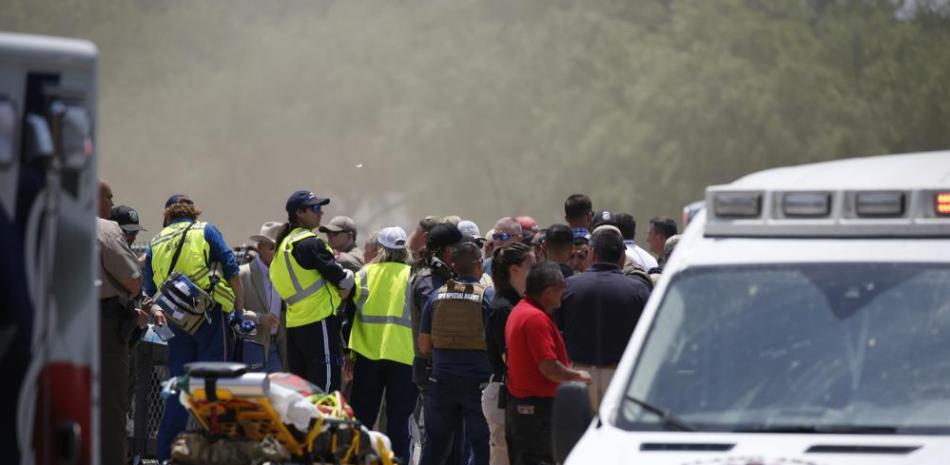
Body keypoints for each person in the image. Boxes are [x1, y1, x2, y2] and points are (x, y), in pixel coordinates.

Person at [145, 194, 244, 463]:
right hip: (211, 318)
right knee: (215, 387)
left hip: (177, 322)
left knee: (179, 388)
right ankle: (215, 454)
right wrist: (238, 312)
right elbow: (232, 270)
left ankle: (166, 456)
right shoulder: (205, 230)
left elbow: (149, 292)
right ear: (193, 213)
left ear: (168, 215)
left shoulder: (156, 241)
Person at [418, 238, 495, 465]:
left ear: (453, 265)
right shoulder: (487, 296)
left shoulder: (436, 296)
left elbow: (424, 346)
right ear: (480, 263)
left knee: (434, 447)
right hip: (478, 383)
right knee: (481, 447)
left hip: (441, 381)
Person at [505, 262, 590, 465]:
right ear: (549, 291)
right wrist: (578, 376)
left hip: (526, 410)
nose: (565, 290)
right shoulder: (535, 318)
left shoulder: (522, 310)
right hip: (536, 412)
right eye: (562, 286)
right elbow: (549, 367)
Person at [270, 190, 355, 393]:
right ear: (300, 213)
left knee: (302, 390)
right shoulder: (310, 243)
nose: (321, 212)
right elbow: (341, 278)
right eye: (315, 208)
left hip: (295, 325)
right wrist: (350, 279)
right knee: (325, 389)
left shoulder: (282, 246)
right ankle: (323, 425)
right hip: (320, 321)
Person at [557, 226, 650, 409]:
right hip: (622, 378)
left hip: (576, 377)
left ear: (592, 253)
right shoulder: (639, 290)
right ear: (623, 257)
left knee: (578, 435)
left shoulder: (567, 287)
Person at [347, 226, 417, 461]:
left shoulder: (365, 273)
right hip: (405, 357)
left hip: (367, 355)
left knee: (363, 419)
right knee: (399, 421)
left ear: (380, 249)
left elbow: (347, 311)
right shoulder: (413, 276)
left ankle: (357, 460)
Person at [97, 181, 145, 465]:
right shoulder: (106, 229)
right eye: (108, 196)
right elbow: (133, 280)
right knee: (113, 406)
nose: (112, 202)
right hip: (105, 328)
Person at [483, 243, 535, 465]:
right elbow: (512, 359)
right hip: (506, 394)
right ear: (515, 270)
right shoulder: (504, 308)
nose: (537, 270)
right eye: (531, 265)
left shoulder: (517, 303)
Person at [237, 221, 285, 372]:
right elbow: (231, 313)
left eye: (281, 248)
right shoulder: (242, 274)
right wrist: (259, 318)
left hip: (278, 348)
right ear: (260, 247)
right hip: (251, 348)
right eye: (272, 247)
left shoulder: (286, 276)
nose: (277, 252)